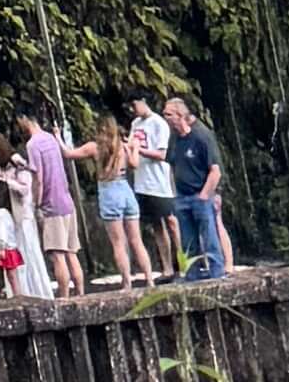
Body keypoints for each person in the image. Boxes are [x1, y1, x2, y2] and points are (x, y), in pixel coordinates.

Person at [0, 133, 53, 300]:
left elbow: (26, 189)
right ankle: (18, 294)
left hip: (22, 216)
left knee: (29, 257)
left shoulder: (17, 163)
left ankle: (39, 295)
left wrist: (6, 182)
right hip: (7, 217)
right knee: (13, 258)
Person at [21, 111, 85, 298]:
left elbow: (38, 178)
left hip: (51, 205)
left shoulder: (32, 145)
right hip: (67, 201)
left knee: (58, 255)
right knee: (72, 252)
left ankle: (64, 297)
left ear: (25, 120)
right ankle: (81, 294)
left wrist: (37, 203)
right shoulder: (50, 138)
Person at [170, 94, 231, 279]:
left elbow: (215, 170)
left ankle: (217, 273)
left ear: (180, 115)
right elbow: (171, 165)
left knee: (210, 237)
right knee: (188, 241)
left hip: (200, 195)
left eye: (168, 115)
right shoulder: (174, 138)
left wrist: (205, 195)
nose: (165, 118)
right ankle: (192, 276)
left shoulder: (201, 136)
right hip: (182, 196)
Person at [89, 114, 151, 289]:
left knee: (118, 242)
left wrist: (58, 138)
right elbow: (135, 163)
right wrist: (135, 147)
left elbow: (68, 153)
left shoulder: (95, 148)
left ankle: (127, 282)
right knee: (136, 240)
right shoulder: (123, 147)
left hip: (109, 191)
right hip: (126, 190)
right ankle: (149, 279)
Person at [129, 92, 179, 275]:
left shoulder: (159, 123)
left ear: (143, 101)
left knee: (172, 222)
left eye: (135, 105)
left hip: (159, 182)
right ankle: (167, 268)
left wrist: (138, 149)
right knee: (156, 225)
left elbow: (161, 154)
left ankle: (183, 262)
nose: (133, 110)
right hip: (142, 182)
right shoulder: (135, 124)